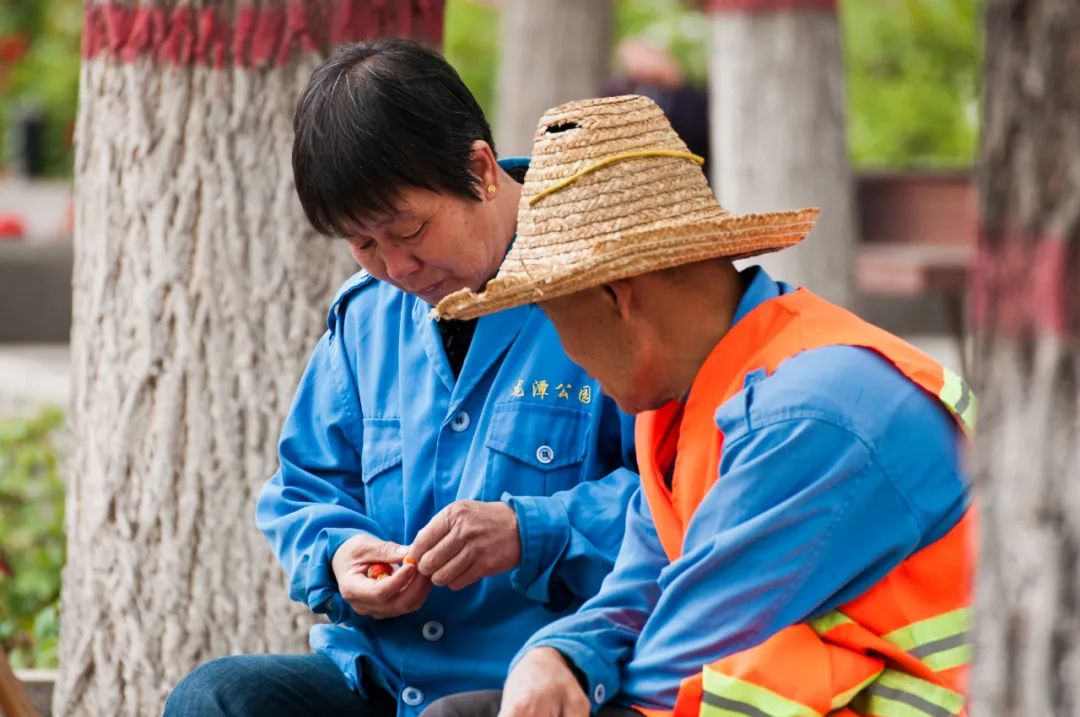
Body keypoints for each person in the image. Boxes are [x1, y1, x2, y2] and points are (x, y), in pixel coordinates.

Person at [428, 94, 975, 717]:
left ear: (617, 297)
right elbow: (643, 582)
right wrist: (559, 655)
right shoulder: (687, 402)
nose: (567, 353)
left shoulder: (807, 416)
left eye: (555, 317)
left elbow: (676, 669)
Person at [164, 41, 638, 717]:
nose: (396, 267)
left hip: (545, 681)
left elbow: (675, 496)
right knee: (218, 696)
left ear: (479, 171)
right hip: (382, 678)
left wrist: (531, 529)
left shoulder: (610, 292)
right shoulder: (366, 318)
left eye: (408, 229)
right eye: (362, 244)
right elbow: (304, 486)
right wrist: (341, 554)